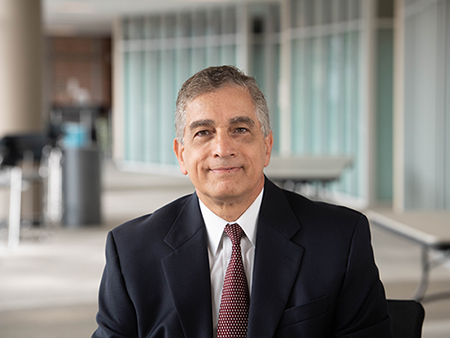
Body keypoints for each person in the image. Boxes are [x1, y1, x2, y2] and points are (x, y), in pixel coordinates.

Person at [92, 65, 393, 337]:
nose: (223, 148)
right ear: (181, 155)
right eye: (203, 132)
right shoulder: (130, 253)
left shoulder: (341, 240)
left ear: (266, 146)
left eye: (240, 130)